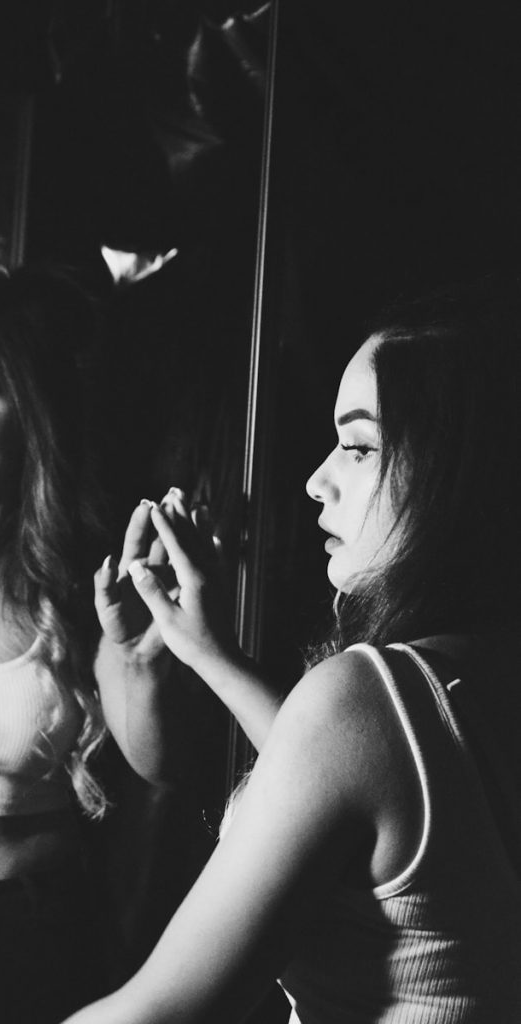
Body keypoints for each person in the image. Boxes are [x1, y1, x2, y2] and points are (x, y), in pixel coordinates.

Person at [63, 273, 521, 1023]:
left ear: (454, 470)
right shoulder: (471, 673)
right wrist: (208, 651)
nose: (315, 480)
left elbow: (156, 1014)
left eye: (358, 447)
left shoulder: (366, 697)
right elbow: (381, 784)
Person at [0, 266, 198, 1024]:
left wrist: (140, 655)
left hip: (38, 934)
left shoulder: (80, 581)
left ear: (32, 413)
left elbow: (157, 765)